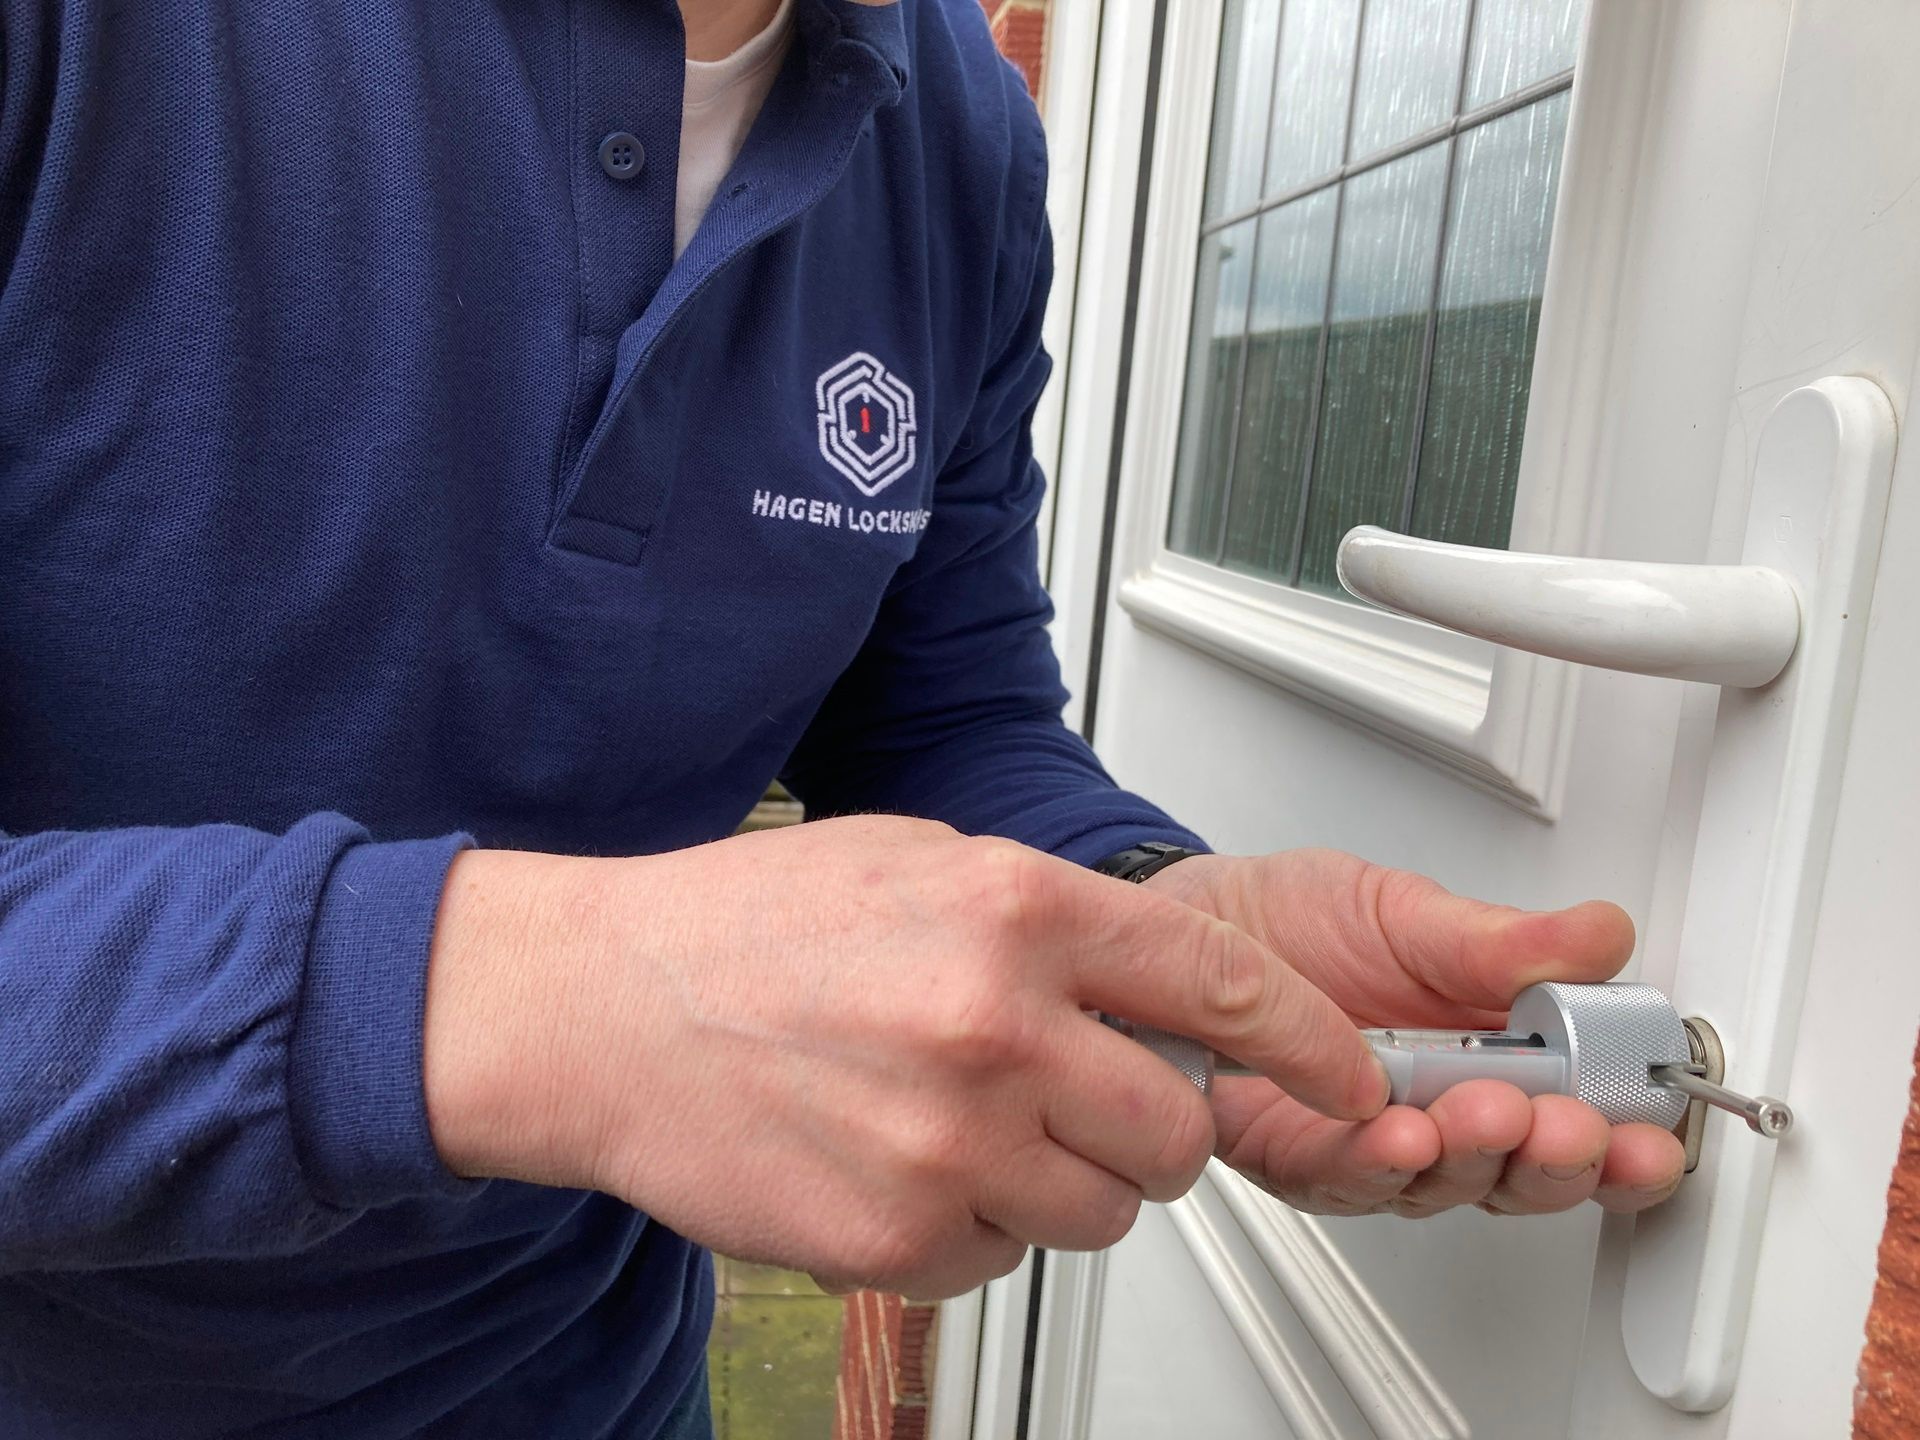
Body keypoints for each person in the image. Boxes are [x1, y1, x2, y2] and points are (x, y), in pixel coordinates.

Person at [0, 0, 1685, 1434]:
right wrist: (559, 1004)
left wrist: (1155, 914)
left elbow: (940, 707)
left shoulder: (959, 128)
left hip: (584, 1377)